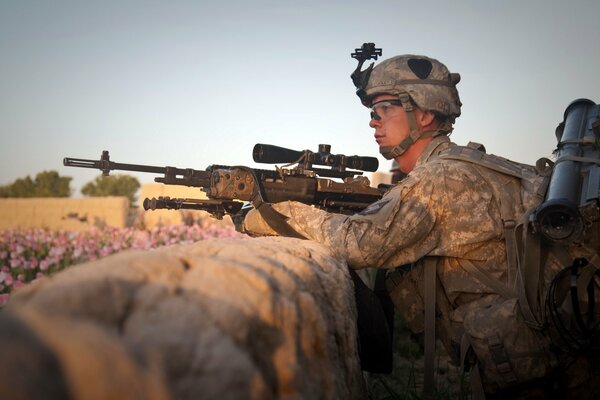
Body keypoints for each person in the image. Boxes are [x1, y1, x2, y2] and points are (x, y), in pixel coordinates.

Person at [242, 54, 599, 398]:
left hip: (549, 375)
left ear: (425, 114)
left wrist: (268, 212)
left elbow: (362, 243)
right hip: (562, 354)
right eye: (373, 111)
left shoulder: (440, 178)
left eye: (386, 108)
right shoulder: (474, 164)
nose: (373, 121)